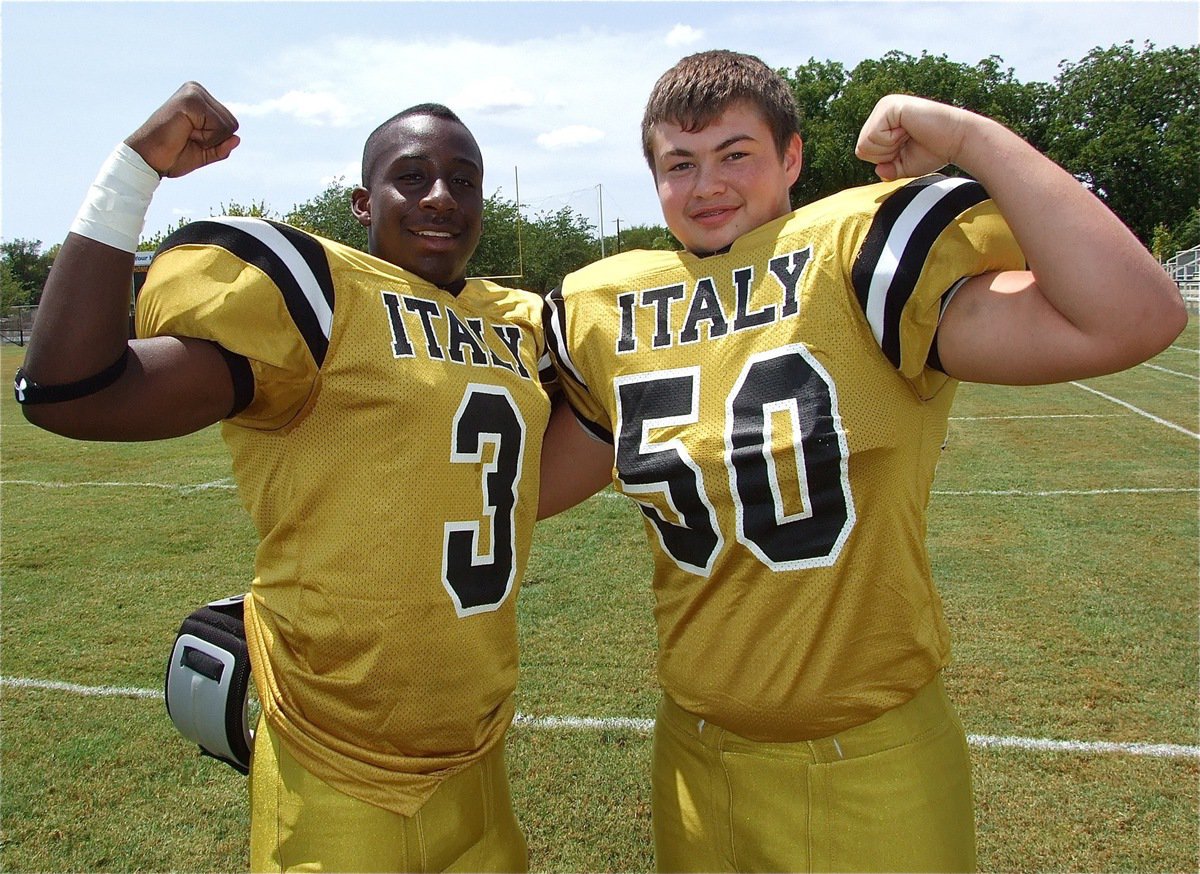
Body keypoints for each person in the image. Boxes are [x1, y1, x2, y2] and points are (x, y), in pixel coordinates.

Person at [538, 50, 1187, 872]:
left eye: (736, 154)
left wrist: (967, 135)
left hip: (871, 764)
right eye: (680, 164)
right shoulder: (610, 312)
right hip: (695, 764)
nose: (707, 185)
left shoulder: (857, 259)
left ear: (793, 157)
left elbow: (1134, 316)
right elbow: (518, 492)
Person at [17, 82, 551, 872]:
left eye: (463, 180)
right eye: (412, 176)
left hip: (477, 753)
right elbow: (71, 390)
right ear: (363, 202)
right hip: (336, 759)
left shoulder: (517, 323)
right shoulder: (325, 298)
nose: (441, 196)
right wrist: (135, 169)